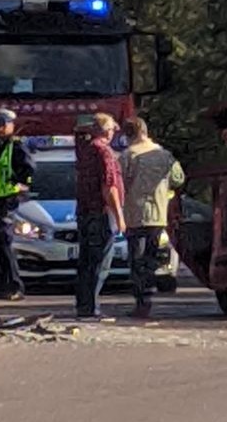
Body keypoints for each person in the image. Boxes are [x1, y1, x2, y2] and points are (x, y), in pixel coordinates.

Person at [119, 117, 185, 319]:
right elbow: (178, 178)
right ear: (146, 132)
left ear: (128, 135)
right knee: (150, 259)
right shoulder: (165, 155)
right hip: (158, 215)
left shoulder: (127, 156)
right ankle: (148, 296)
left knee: (137, 261)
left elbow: (120, 184)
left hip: (135, 215)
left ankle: (142, 301)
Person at [74, 113, 125, 320]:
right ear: (106, 131)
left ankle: (83, 305)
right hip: (102, 213)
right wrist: (119, 215)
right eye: (112, 129)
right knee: (100, 262)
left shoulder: (85, 151)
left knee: (85, 261)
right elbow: (109, 187)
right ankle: (92, 307)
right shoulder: (104, 152)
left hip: (85, 212)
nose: (113, 133)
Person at [0, 108, 33, 301]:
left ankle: (15, 286)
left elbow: (29, 169)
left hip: (7, 202)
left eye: (3, 125)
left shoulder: (16, 146)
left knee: (5, 245)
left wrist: (21, 186)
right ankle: (3, 284)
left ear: (11, 125)